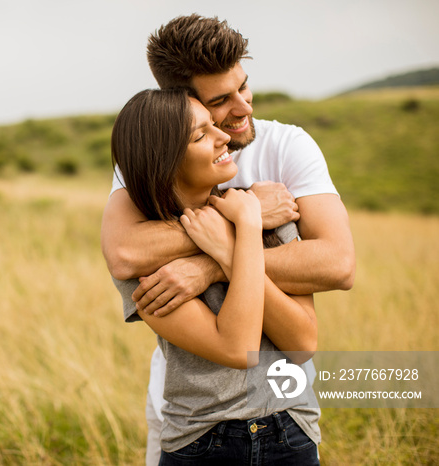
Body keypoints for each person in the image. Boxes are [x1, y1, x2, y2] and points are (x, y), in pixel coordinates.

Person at [100, 15, 355, 466]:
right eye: (220, 101)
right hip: (197, 418)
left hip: (286, 412)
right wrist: (240, 217)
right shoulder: (149, 158)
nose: (243, 109)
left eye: (244, 86)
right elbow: (124, 254)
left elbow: (337, 265)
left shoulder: (287, 147)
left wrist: (219, 257)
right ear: (179, 106)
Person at [110, 87, 320, 465]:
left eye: (213, 126)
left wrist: (230, 247)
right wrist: (241, 231)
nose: (224, 136)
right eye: (201, 134)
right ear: (165, 161)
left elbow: (303, 344)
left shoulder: (261, 212)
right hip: (202, 441)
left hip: (291, 433)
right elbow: (237, 348)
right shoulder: (150, 260)